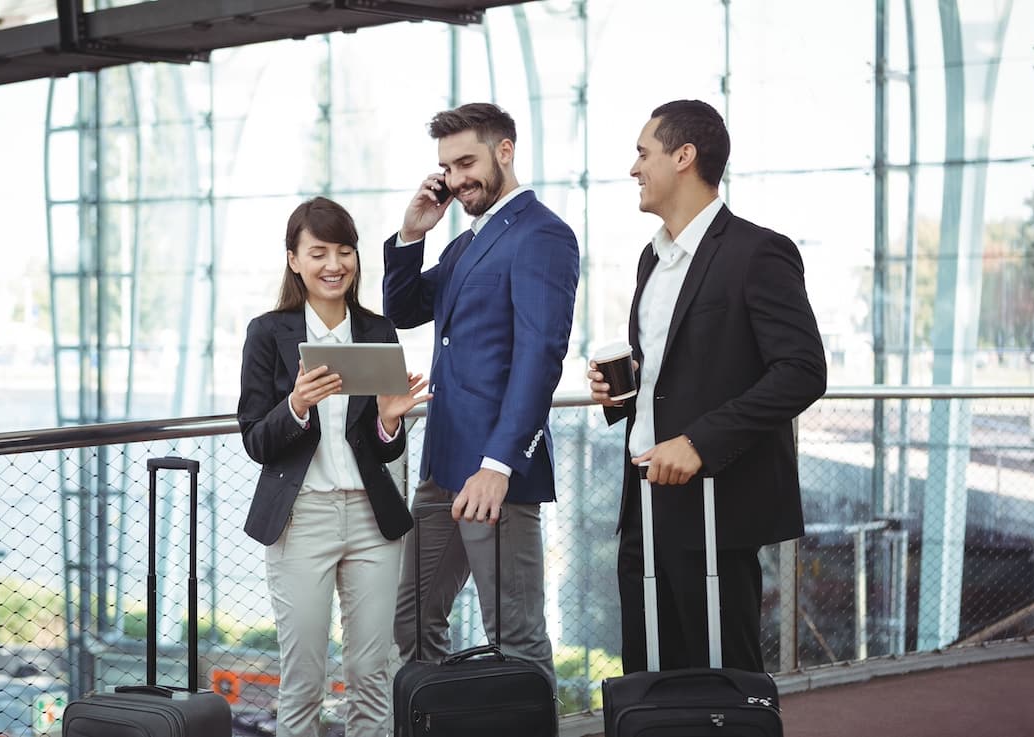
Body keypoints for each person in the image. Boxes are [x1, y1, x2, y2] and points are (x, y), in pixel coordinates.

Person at [588, 99, 826, 673]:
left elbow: (802, 371)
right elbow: (682, 370)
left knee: (722, 681)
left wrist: (699, 443)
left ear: (684, 157)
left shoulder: (757, 251)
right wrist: (623, 392)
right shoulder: (652, 258)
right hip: (643, 500)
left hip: (715, 505)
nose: (634, 168)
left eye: (644, 153)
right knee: (648, 676)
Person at [383, 102, 580, 686]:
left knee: (514, 637)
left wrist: (498, 465)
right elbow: (405, 308)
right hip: (442, 466)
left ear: (505, 151)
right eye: (446, 166)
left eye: (466, 161)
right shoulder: (466, 244)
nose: (456, 177)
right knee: (414, 624)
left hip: (494, 475)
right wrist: (412, 234)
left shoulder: (543, 236)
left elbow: (539, 358)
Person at [237, 196, 430, 737]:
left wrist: (392, 422)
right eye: (318, 252)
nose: (333, 264)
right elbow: (256, 439)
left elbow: (384, 449)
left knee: (372, 673)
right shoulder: (268, 333)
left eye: (344, 251)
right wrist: (296, 406)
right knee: (303, 678)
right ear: (294, 260)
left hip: (373, 522)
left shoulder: (377, 330)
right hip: (302, 520)